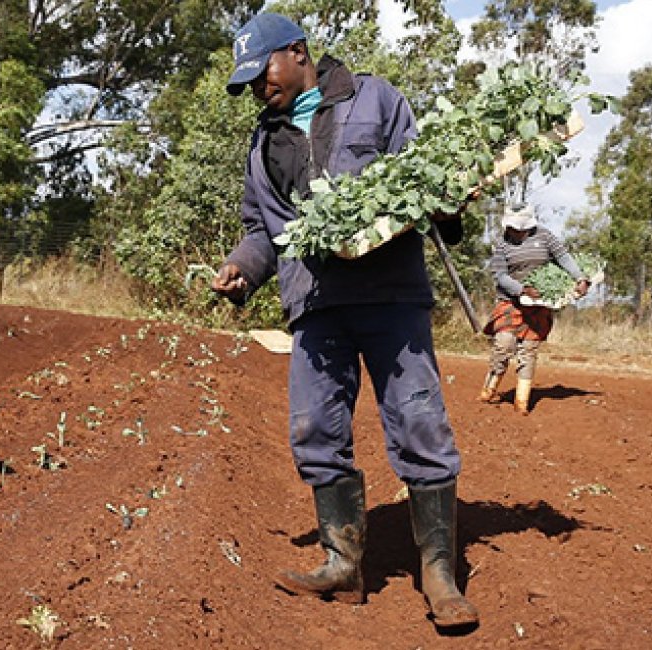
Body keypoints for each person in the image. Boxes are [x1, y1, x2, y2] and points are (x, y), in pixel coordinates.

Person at [209, 12, 478, 628]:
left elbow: (424, 182)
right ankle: (342, 561)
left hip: (390, 298)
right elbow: (261, 228)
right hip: (316, 303)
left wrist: (453, 204)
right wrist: (241, 269)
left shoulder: (375, 99)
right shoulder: (263, 141)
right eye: (249, 81)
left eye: (263, 73)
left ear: (297, 52)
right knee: (314, 429)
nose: (258, 87)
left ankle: (438, 573)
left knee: (419, 423)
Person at [478, 204, 590, 414]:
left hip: (539, 305)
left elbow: (563, 257)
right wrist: (521, 290)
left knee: (528, 350)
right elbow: (500, 276)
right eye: (513, 228)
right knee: (504, 344)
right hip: (510, 302)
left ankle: (522, 401)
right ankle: (489, 388)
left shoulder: (545, 236)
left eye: (521, 228)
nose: (517, 232)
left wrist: (580, 278)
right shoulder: (501, 244)